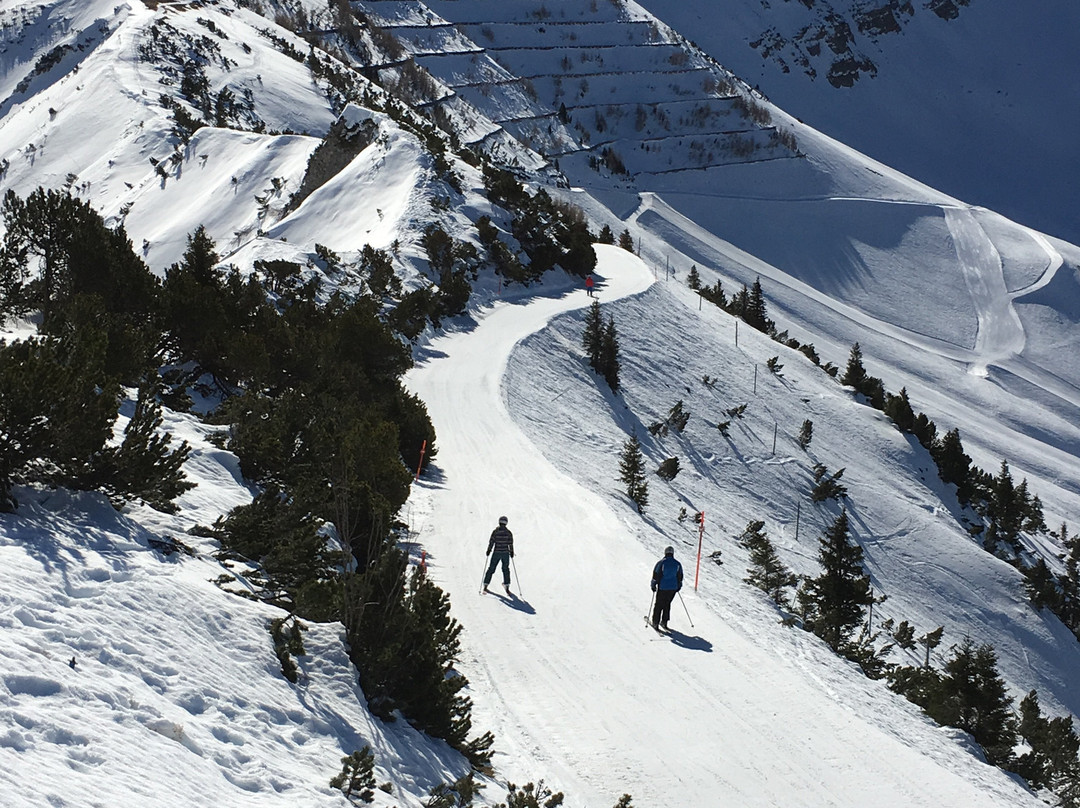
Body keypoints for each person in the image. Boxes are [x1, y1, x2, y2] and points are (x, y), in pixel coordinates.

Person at [650, 545, 683, 630]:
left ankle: (655, 622)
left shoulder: (661, 563)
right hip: (673, 588)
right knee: (667, 604)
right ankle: (664, 622)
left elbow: (656, 575)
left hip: (662, 587)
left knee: (658, 605)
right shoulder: (677, 563)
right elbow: (680, 576)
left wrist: (653, 585)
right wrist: (678, 586)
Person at [484, 515, 514, 593]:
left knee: (491, 568)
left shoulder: (495, 531)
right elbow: (510, 543)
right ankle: (506, 585)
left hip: (496, 552)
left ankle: (486, 584)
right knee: (505, 569)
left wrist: (489, 550)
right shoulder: (508, 533)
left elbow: (491, 541)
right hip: (505, 553)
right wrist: (511, 552)